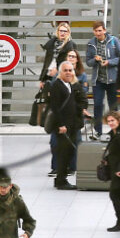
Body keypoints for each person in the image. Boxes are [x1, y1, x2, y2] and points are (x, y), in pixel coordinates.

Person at [46, 60, 88, 189]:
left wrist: (79, 108)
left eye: (70, 70)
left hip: (72, 125)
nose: (68, 73)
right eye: (66, 70)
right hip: (63, 127)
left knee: (69, 152)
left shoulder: (72, 84)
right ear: (60, 72)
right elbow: (55, 108)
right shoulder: (57, 86)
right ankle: (60, 180)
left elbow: (82, 100)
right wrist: (61, 125)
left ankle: (62, 178)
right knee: (63, 153)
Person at [85, 21, 120, 137]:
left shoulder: (114, 41)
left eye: (100, 30)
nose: (98, 33)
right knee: (97, 105)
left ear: (104, 30)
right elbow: (88, 62)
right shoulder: (91, 44)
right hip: (98, 80)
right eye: (96, 31)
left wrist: (109, 62)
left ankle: (115, 130)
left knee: (113, 106)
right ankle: (98, 131)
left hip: (112, 80)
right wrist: (95, 60)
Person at [39, 22, 76, 90]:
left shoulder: (70, 45)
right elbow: (46, 63)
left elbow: (71, 62)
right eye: (61, 31)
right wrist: (42, 79)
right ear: (58, 32)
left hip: (62, 75)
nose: (63, 33)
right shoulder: (51, 44)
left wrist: (58, 70)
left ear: (68, 33)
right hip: (48, 74)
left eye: (65, 31)